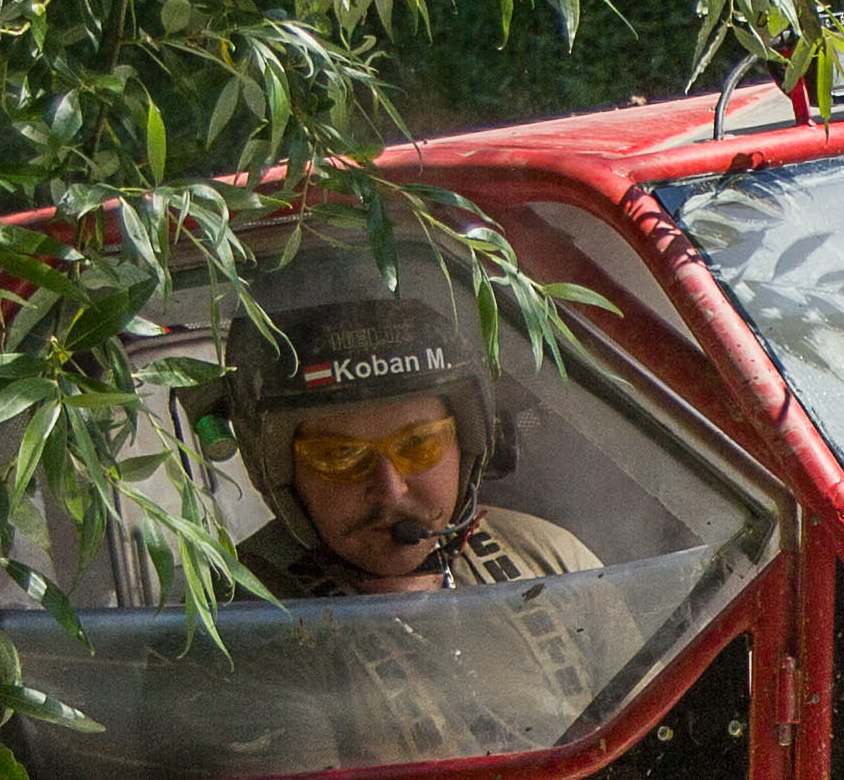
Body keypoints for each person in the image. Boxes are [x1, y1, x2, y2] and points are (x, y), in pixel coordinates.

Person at [216, 232, 602, 599]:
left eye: (419, 443)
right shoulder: (226, 622)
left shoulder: (553, 565)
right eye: (340, 456)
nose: (389, 489)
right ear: (281, 473)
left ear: (469, 444)